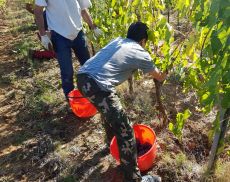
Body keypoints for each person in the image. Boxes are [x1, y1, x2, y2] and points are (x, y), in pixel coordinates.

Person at [77, 22, 166, 182]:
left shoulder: (118, 41)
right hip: (98, 86)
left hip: (82, 78)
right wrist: (164, 74)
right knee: (126, 131)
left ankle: (112, 145)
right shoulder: (140, 51)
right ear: (143, 40)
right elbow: (157, 75)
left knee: (108, 112)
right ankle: (134, 179)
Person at [34, 0, 102, 99]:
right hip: (59, 35)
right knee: (67, 71)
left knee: (88, 65)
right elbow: (38, 11)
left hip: (78, 32)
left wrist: (93, 27)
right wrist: (43, 35)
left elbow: (83, 9)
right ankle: (71, 100)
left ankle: (94, 93)